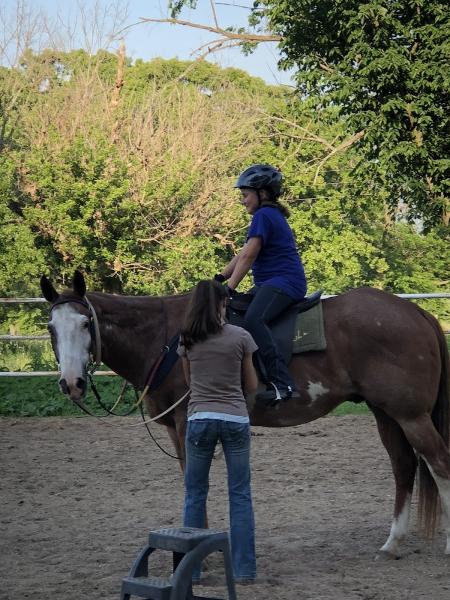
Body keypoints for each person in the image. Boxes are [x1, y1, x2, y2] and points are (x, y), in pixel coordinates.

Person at [177, 279, 258, 584]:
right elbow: (251, 386)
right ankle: (244, 570)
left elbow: (189, 382)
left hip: (200, 418)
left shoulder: (187, 339)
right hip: (235, 419)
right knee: (240, 495)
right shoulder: (242, 337)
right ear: (223, 303)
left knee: (195, 494)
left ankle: (192, 570)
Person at [215, 164, 307, 405]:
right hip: (271, 282)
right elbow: (243, 253)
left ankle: (282, 383)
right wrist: (220, 278)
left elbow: (249, 256)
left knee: (254, 319)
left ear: (262, 194)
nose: (243, 201)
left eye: (245, 195)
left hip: (285, 282)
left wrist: (229, 289)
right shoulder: (266, 216)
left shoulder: (263, 215)